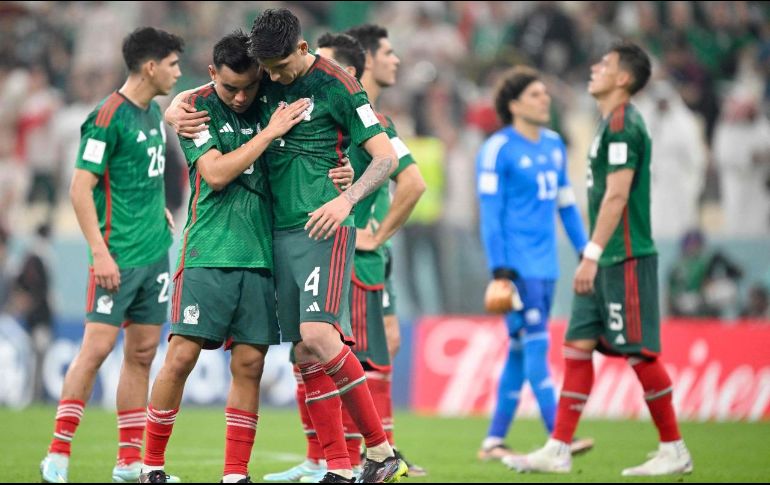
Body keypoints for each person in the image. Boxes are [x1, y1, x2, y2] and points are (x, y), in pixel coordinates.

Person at [509, 41, 693, 476]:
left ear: (623, 78)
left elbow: (617, 195)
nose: (594, 68)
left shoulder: (625, 123)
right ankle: (559, 448)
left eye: (605, 65)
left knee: (638, 352)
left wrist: (590, 253)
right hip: (603, 256)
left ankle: (674, 448)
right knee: (577, 346)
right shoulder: (606, 122)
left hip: (624, 257)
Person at [136, 31, 312, 485]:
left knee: (250, 364)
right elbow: (213, 174)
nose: (239, 96)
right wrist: (270, 132)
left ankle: (235, 474)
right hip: (207, 252)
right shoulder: (196, 108)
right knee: (181, 356)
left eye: (248, 87)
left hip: (260, 256)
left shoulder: (271, 96)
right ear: (212, 74)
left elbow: (314, 73)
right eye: (229, 86)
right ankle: (150, 466)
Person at [249, 9, 406, 483]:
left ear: (302, 48)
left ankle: (380, 451)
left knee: (319, 335)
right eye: (267, 69)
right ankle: (336, 467)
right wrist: (177, 107)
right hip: (276, 231)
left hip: (323, 227)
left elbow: (384, 159)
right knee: (302, 352)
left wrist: (348, 198)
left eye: (279, 67)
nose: (273, 77)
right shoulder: (264, 73)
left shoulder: (339, 85)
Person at [39, 27, 184, 484]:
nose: (178, 72)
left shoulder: (153, 114)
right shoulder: (107, 116)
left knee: (141, 353)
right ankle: (58, 452)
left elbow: (139, 176)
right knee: (96, 349)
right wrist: (99, 253)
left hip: (155, 255)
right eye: (173, 64)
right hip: (116, 257)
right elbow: (79, 188)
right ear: (150, 66)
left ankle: (127, 463)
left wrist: (154, 205)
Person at [475, 66, 592, 462]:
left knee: (521, 351)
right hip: (517, 269)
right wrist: (500, 269)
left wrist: (585, 249)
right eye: (536, 94)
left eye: (546, 93)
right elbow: (490, 215)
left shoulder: (555, 144)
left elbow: (566, 204)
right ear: (514, 104)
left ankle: (494, 440)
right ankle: (559, 437)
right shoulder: (497, 148)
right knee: (537, 347)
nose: (545, 100)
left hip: (547, 267)